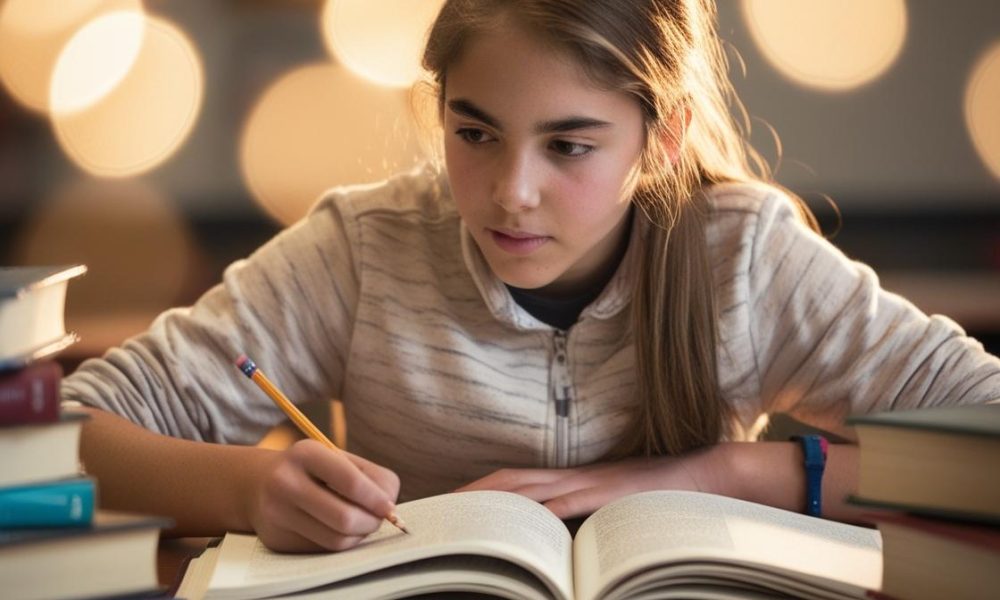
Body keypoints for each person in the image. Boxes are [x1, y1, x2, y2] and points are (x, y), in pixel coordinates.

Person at [62, 0, 1000, 553]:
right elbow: (66, 438)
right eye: (475, 133)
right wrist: (247, 491)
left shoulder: (742, 256)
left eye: (569, 145)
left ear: (661, 138)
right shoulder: (363, 247)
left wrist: (734, 473)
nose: (511, 193)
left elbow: (985, 443)